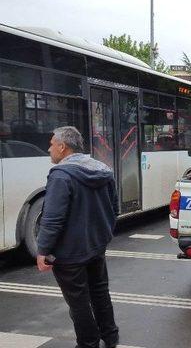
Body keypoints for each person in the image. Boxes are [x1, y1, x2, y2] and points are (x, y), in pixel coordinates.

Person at [36, 126, 119, 348]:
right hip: (96, 246)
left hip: (70, 253)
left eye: (52, 143)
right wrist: (104, 234)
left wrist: (42, 250)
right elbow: (114, 208)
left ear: (62, 147)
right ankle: (110, 337)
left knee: (79, 301)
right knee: (100, 292)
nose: (49, 148)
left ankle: (88, 343)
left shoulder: (61, 175)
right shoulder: (102, 169)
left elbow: (52, 218)